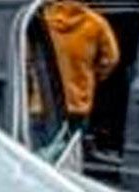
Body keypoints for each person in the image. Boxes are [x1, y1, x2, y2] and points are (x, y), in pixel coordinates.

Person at [43, 0, 120, 131]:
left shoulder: (43, 20)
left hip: (45, 100)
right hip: (78, 101)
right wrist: (93, 75)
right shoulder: (97, 23)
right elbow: (111, 59)